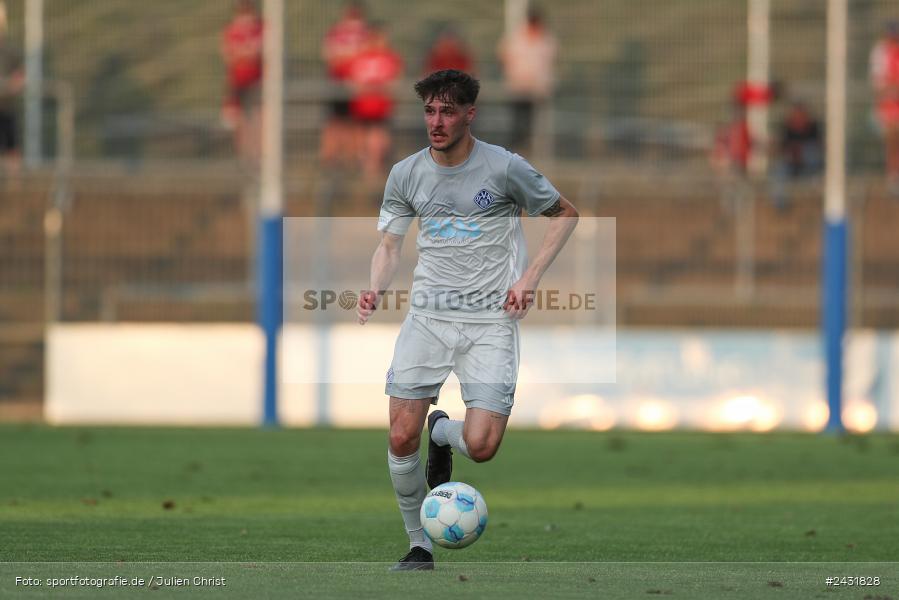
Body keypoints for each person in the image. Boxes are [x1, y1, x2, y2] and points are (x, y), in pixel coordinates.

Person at [356, 70, 578, 571]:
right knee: (399, 435)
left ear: (469, 114)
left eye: (448, 111)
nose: (436, 122)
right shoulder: (406, 174)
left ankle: (442, 433)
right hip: (428, 318)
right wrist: (375, 287)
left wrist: (529, 279)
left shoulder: (505, 168)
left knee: (481, 446)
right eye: (430, 111)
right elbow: (389, 246)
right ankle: (419, 545)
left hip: (490, 322)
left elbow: (565, 214)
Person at [346, 23, 402, 182]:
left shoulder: (389, 57)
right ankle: (366, 168)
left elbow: (394, 82)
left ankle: (374, 169)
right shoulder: (361, 57)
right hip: (363, 106)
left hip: (379, 106)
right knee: (362, 137)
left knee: (378, 137)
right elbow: (353, 82)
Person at [497, 7, 557, 152]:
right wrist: (515, 74)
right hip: (518, 86)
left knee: (535, 121)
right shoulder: (517, 37)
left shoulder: (545, 39)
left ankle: (533, 148)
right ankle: (517, 146)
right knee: (517, 120)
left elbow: (549, 61)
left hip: (537, 88)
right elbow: (504, 55)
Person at [320, 2, 369, 168]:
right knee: (336, 123)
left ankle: (350, 160)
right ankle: (332, 160)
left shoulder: (364, 32)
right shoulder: (338, 32)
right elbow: (330, 57)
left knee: (353, 124)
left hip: (356, 86)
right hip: (340, 83)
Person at [220, 0, 263, 165]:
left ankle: (259, 156)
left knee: (259, 118)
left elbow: (258, 53)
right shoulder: (231, 30)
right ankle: (245, 158)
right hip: (238, 82)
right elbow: (229, 57)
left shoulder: (261, 28)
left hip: (258, 82)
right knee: (239, 121)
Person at [770, 101, 823, 210]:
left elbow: (819, 147)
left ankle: (815, 199)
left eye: (801, 115)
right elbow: (780, 149)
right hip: (791, 166)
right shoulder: (787, 129)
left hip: (810, 166)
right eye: (796, 115)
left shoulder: (813, 128)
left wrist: (801, 151)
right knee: (779, 170)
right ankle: (781, 205)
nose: (798, 118)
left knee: (811, 153)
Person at [870, 21, 899, 196]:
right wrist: (891, 89)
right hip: (888, 106)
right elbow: (879, 84)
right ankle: (893, 177)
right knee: (892, 140)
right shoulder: (880, 52)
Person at [0, 1, 24, 175]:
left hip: (6, 107)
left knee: (12, 148)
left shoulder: (11, 51)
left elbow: (20, 76)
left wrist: (12, 86)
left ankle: (15, 185)